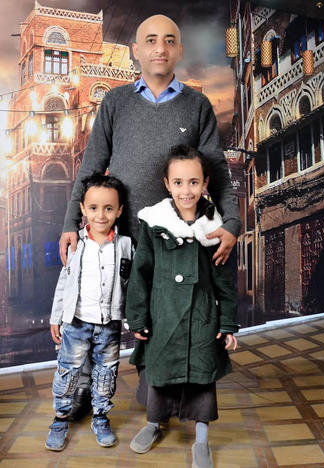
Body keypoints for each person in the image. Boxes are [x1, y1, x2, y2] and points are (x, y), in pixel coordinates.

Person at [58, 13, 241, 417]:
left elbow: (218, 172)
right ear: (136, 50)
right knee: (102, 323)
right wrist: (72, 223)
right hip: (120, 239)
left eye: (169, 40)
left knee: (164, 322)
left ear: (178, 49)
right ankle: (83, 400)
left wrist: (231, 224)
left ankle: (164, 407)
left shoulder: (197, 106)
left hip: (176, 241)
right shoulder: (116, 102)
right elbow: (91, 167)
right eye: (151, 40)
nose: (160, 48)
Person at [125, 145, 238, 468]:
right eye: (178, 182)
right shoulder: (154, 223)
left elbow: (224, 280)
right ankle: (153, 424)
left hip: (202, 317)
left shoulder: (214, 228)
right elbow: (141, 274)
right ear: (167, 184)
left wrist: (227, 322)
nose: (185, 190)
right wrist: (137, 317)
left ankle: (201, 442)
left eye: (193, 182)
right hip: (163, 316)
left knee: (202, 377)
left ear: (204, 184)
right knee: (159, 374)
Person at [45, 174, 133, 451]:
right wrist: (56, 317)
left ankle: (101, 417)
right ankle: (60, 419)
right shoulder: (76, 244)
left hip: (109, 325)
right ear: (82, 208)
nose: (101, 215)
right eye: (94, 208)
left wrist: (132, 317)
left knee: (106, 374)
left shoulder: (126, 245)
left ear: (119, 210)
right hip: (77, 322)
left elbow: (131, 284)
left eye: (109, 208)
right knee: (67, 372)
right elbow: (64, 282)